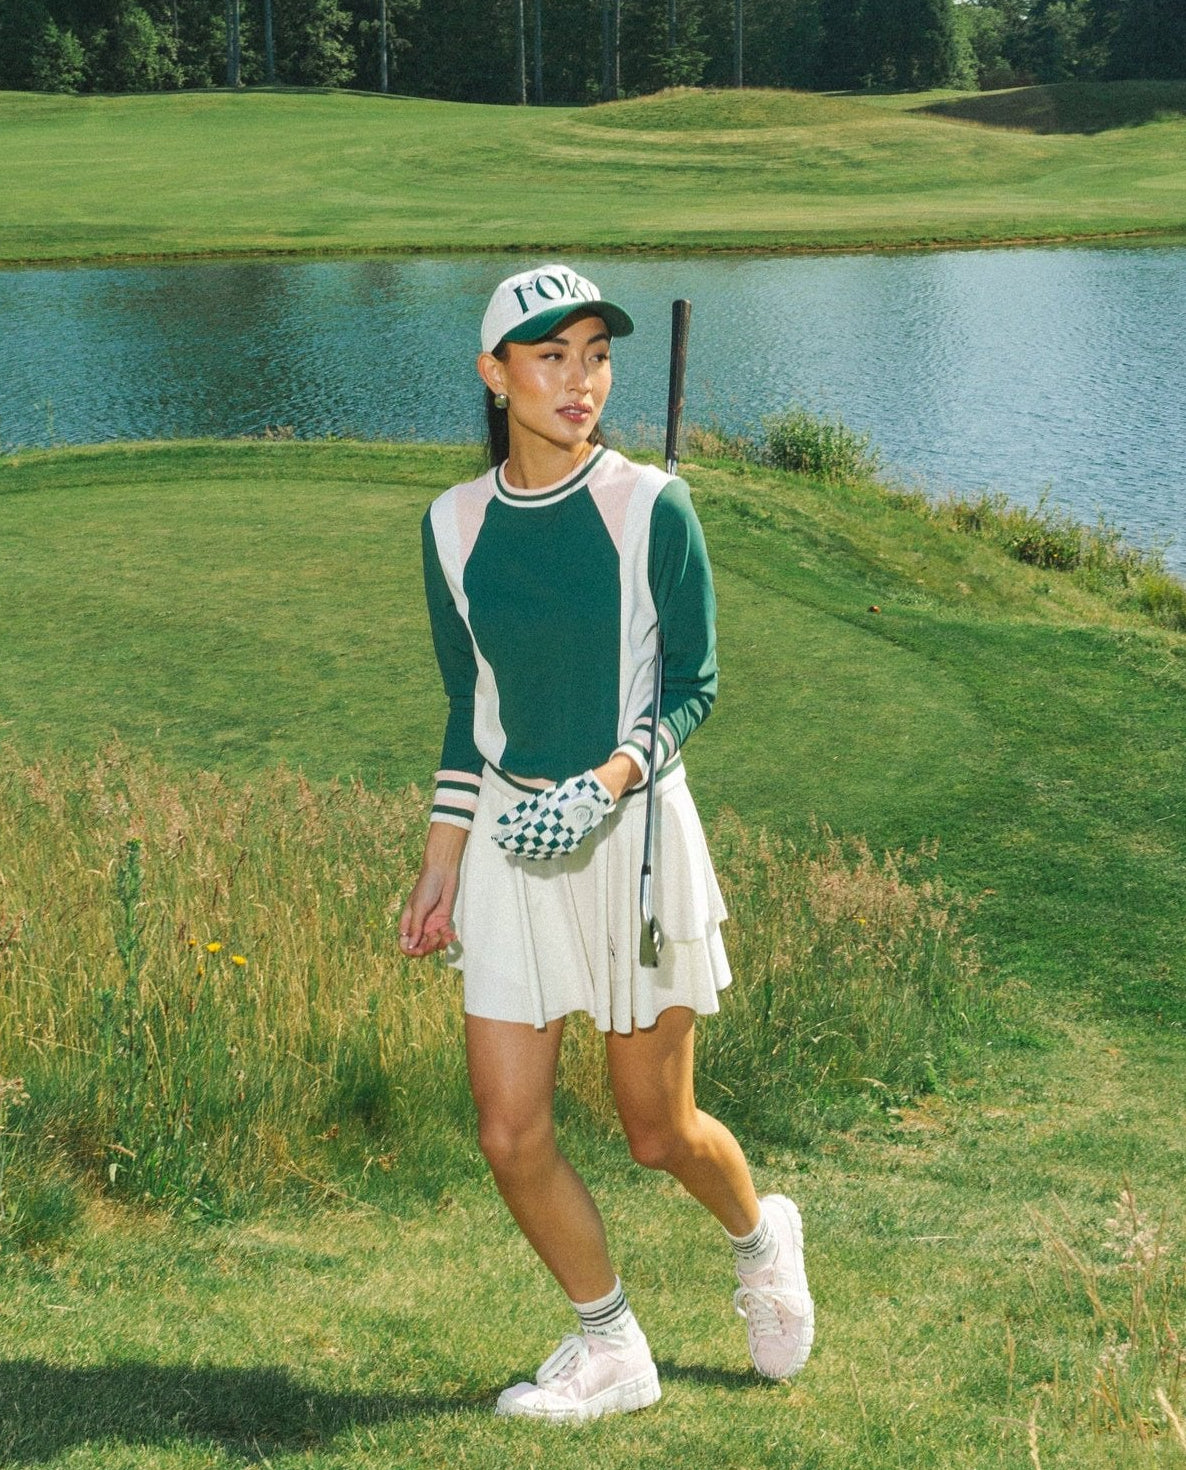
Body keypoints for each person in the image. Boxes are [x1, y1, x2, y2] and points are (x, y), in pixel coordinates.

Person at [399, 263, 813, 1422]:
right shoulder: (451, 525)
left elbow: (693, 684)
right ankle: (612, 1346)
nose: (579, 381)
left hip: (631, 841)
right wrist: (441, 861)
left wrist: (610, 778)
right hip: (509, 847)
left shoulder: (652, 506)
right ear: (494, 376)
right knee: (508, 1130)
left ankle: (760, 1236)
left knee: (656, 1131)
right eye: (550, 357)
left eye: (595, 355)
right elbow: (469, 707)